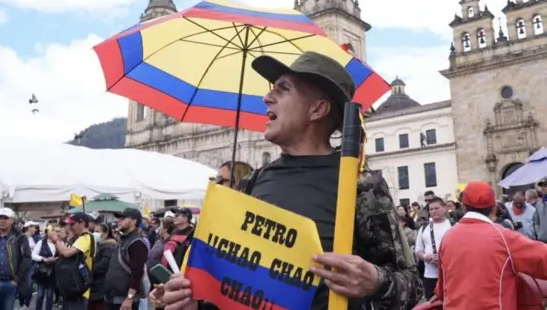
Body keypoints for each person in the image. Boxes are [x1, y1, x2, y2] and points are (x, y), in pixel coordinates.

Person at [160, 51, 423, 309]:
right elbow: (232, 289)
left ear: (318, 109)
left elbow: (411, 287)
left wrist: (375, 281)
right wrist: (190, 300)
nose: (266, 98)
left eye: (283, 89)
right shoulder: (251, 183)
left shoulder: (361, 185)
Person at [434, 182, 547, 308]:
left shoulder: (447, 237)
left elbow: (441, 289)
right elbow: (543, 258)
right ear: (494, 207)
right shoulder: (503, 237)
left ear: (463, 207)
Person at [0, 208, 32, 310]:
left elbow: (26, 259)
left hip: (10, 284)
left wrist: (17, 279)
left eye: (6, 218)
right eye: (0, 218)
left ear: (12, 220)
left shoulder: (20, 237)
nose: (2, 220)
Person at [104, 209, 149, 310]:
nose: (119, 221)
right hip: (112, 298)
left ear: (133, 221)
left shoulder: (137, 243)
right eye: (119, 218)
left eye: (123, 218)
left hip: (125, 301)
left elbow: (137, 273)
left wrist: (129, 298)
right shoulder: (123, 240)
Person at [49, 213, 95, 310]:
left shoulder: (86, 237)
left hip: (80, 288)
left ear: (82, 223)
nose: (70, 227)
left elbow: (66, 253)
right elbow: (63, 253)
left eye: (72, 224)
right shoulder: (77, 238)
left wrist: (56, 239)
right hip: (72, 287)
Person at [414, 197, 452, 300]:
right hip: (430, 276)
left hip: (449, 276)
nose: (434, 211)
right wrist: (426, 257)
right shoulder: (424, 227)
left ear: (444, 208)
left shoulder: (452, 226)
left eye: (436, 208)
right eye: (431, 209)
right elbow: (418, 250)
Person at [89, 224, 116, 310]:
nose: (94, 234)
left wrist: (89, 268)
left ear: (105, 234)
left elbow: (103, 266)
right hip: (96, 286)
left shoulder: (109, 247)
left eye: (97, 231)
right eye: (94, 231)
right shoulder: (98, 245)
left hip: (101, 287)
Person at [32, 228, 58, 310]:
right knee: (40, 295)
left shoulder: (59, 243)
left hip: (53, 273)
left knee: (50, 295)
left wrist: (55, 259)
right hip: (42, 272)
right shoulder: (41, 242)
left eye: (57, 231)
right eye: (53, 231)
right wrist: (43, 259)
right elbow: (33, 255)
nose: (55, 233)